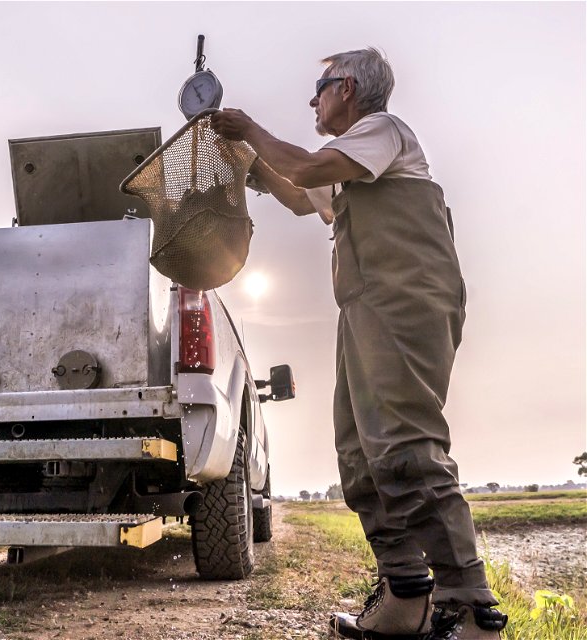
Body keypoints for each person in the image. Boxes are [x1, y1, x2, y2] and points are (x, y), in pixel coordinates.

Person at [211, 48, 508, 640]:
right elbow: (299, 193)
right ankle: (405, 595)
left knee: (405, 446)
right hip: (366, 309)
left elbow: (304, 170)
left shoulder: (382, 132)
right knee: (358, 454)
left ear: (347, 88)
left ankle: (472, 610)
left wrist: (249, 130)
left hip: (407, 303)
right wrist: (247, 162)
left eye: (319, 88)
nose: (312, 100)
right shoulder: (350, 166)